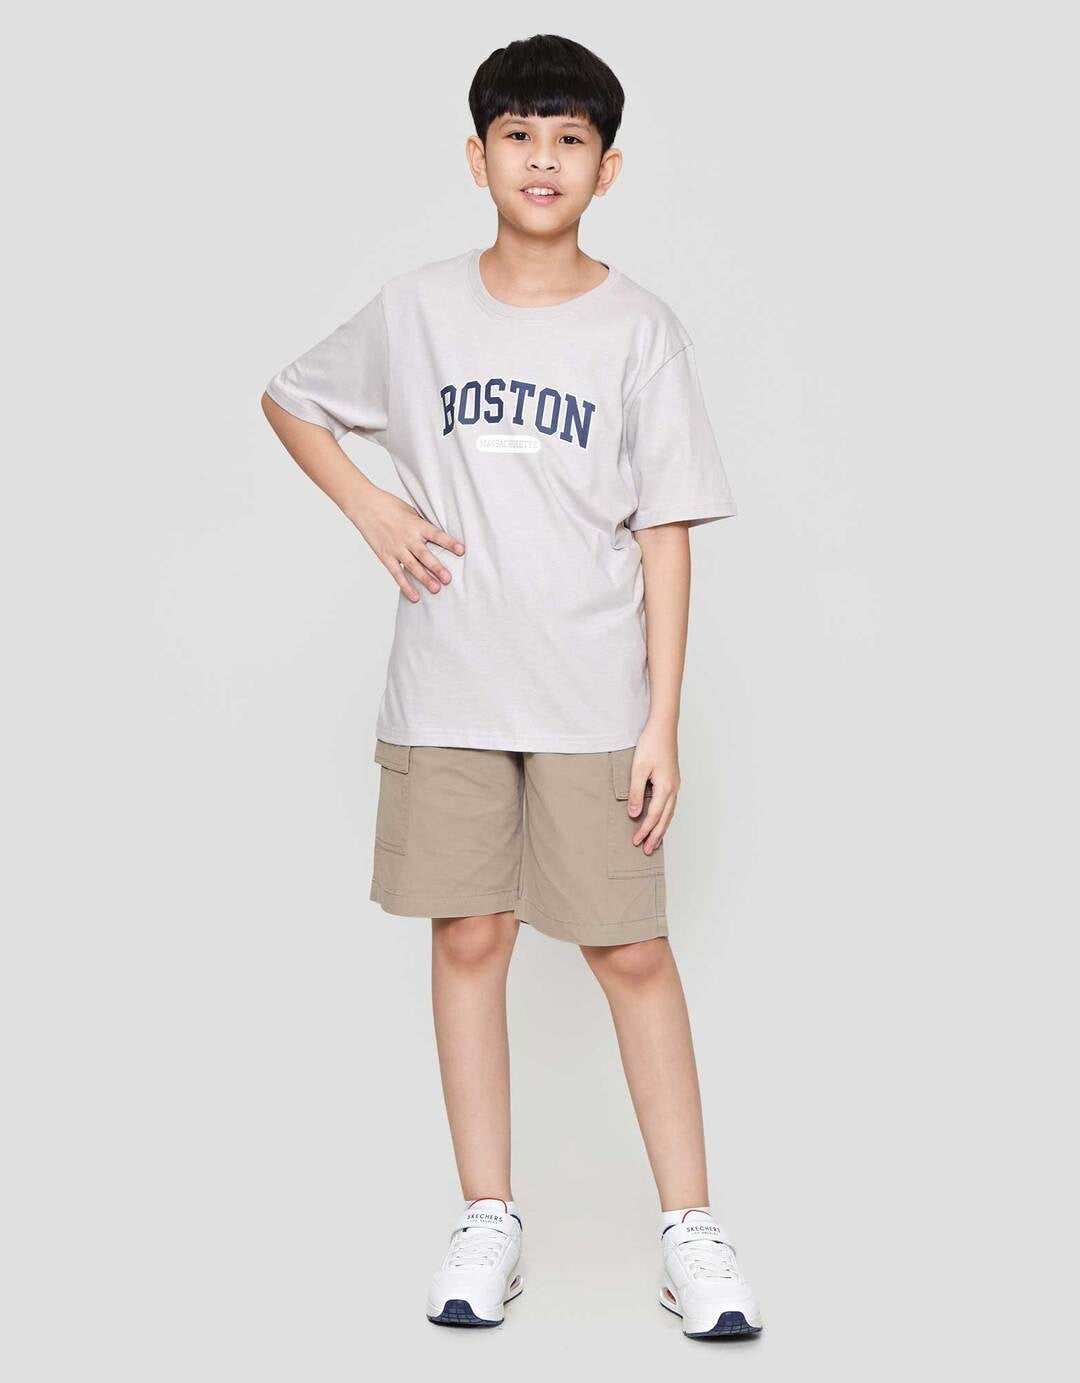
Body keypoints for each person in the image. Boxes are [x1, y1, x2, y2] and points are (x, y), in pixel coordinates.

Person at [260, 32, 763, 1341]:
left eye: (570, 139)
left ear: (608, 168)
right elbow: (291, 399)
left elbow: (666, 532)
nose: (543, 159)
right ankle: (489, 1218)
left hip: (594, 701)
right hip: (449, 693)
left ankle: (691, 1232)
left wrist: (660, 721)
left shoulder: (639, 330)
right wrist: (373, 508)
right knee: (469, 940)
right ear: (476, 157)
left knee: (631, 951)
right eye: (519, 136)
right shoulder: (418, 310)